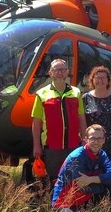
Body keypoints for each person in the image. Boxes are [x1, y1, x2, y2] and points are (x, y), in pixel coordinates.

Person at [51, 125, 111, 212]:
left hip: (86, 195)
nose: (96, 142)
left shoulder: (102, 154)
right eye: (92, 138)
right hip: (66, 200)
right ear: (85, 139)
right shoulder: (76, 157)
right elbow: (82, 185)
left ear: (103, 140)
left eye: (99, 139)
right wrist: (101, 182)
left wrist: (91, 179)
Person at [32, 58, 87, 188]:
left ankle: (73, 205)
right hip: (52, 146)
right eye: (57, 70)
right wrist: (36, 145)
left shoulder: (76, 92)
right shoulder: (41, 94)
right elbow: (36, 123)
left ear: (67, 72)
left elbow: (81, 118)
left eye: (63, 70)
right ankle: (56, 206)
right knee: (54, 179)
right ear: (50, 73)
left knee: (74, 177)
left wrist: (85, 139)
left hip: (74, 144)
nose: (60, 73)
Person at [82, 66, 111, 170]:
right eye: (97, 78)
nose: (100, 80)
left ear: (108, 81)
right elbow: (82, 122)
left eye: (103, 78)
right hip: (92, 145)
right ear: (92, 80)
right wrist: (84, 141)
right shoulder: (85, 98)